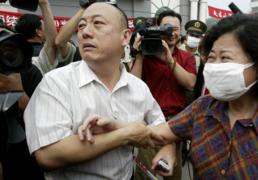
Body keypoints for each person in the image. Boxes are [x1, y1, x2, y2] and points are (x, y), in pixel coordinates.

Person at [24, 3, 174, 179]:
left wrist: (168, 151)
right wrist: (125, 135)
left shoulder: (138, 87)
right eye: (81, 26)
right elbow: (47, 155)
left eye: (98, 23)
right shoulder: (56, 83)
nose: (85, 32)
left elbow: (164, 131)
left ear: (125, 36)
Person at [151, 14, 258, 178]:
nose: (214, 66)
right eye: (211, 57)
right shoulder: (203, 106)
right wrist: (165, 143)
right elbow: (162, 133)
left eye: (225, 58)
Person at [130, 9, 196, 180]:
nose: (172, 33)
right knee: (146, 174)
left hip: (176, 123)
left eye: (175, 28)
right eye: (167, 27)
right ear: (158, 28)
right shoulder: (146, 55)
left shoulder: (187, 57)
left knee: (172, 173)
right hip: (151, 123)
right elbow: (133, 85)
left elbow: (190, 83)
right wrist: (138, 56)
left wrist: (170, 61)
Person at [0, 27, 44, 179]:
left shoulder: (30, 71)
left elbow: (41, 118)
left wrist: (18, 91)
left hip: (24, 152)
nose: (6, 53)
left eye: (10, 46)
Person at [14, 0, 60, 75]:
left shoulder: (12, 55)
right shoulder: (42, 56)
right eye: (44, 26)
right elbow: (52, 43)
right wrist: (44, 4)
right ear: (38, 31)